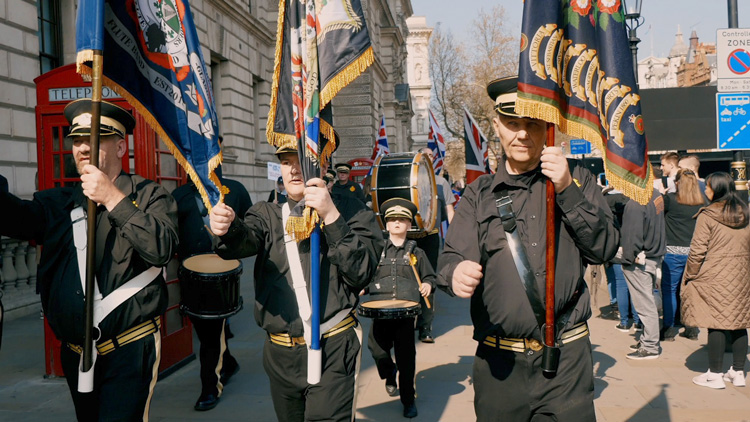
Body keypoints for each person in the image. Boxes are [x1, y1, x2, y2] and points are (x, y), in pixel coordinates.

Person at [438, 75, 619, 421]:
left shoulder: (578, 178)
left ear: (549, 126)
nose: (522, 133)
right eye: (512, 123)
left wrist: (566, 188)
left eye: (533, 123)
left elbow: (605, 248)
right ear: (497, 126)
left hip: (567, 364)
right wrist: (455, 273)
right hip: (500, 368)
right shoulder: (478, 195)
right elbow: (449, 260)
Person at [0, 99, 179, 421]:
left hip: (129, 348)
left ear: (121, 146)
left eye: (94, 138)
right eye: (77, 140)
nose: (82, 146)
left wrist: (111, 197)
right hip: (75, 352)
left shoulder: (149, 195)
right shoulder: (57, 201)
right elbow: (12, 218)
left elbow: (161, 248)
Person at [208, 145, 383, 421]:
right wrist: (227, 227)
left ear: (322, 166)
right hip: (280, 353)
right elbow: (243, 241)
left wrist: (331, 217)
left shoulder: (352, 211)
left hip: (333, 348)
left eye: (301, 161)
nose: (293, 169)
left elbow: (362, 272)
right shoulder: (266, 213)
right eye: (286, 162)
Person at [171, 153, 252, 411]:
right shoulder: (179, 196)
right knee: (206, 329)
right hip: (190, 275)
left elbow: (251, 230)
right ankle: (227, 362)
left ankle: (209, 388)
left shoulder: (235, 190)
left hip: (223, 276)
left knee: (210, 333)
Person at [364, 198, 435, 418]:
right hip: (380, 314)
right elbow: (365, 275)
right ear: (385, 225)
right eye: (392, 219)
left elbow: (430, 275)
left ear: (409, 225)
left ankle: (408, 400)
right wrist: (363, 288)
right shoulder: (376, 251)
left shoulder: (417, 253)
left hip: (405, 317)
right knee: (377, 350)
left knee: (407, 360)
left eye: (402, 219)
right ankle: (388, 373)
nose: (396, 223)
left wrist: (427, 284)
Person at [682, 172, 750, 389]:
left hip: (715, 275)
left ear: (717, 189)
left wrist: (691, 274)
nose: (706, 190)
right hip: (742, 276)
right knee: (739, 322)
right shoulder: (746, 212)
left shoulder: (708, 215)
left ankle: (714, 374)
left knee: (716, 323)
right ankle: (738, 372)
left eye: (709, 187)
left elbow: (697, 251)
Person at [414, 148, 457, 343]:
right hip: (411, 237)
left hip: (431, 237)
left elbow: (449, 210)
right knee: (409, 279)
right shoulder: (413, 180)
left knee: (428, 279)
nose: (430, 158)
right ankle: (410, 320)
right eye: (426, 156)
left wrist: (454, 237)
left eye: (432, 156)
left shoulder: (442, 183)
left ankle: (426, 326)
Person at [660, 168, 705, 342]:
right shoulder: (702, 202)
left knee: (670, 290)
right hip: (694, 253)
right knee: (690, 291)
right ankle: (692, 328)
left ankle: (669, 329)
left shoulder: (670, 200)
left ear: (677, 183)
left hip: (672, 253)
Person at [620, 188, 666, 360]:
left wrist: (628, 258)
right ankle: (648, 339)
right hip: (653, 254)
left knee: (645, 305)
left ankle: (650, 346)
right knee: (648, 302)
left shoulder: (635, 204)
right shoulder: (654, 194)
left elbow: (632, 237)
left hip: (640, 260)